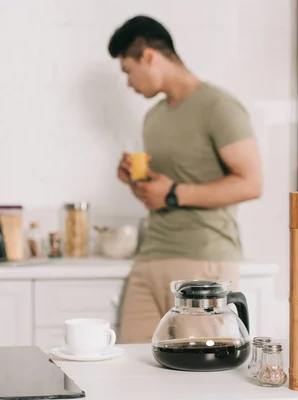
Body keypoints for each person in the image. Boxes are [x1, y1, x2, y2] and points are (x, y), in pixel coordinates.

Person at [108, 16, 263, 343]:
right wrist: (138, 184)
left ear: (148, 56)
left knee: (199, 383)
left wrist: (174, 193)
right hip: (150, 258)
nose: (128, 84)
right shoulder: (154, 117)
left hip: (203, 262)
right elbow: (161, 194)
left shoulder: (219, 106)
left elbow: (251, 183)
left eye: (128, 71)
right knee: (130, 376)